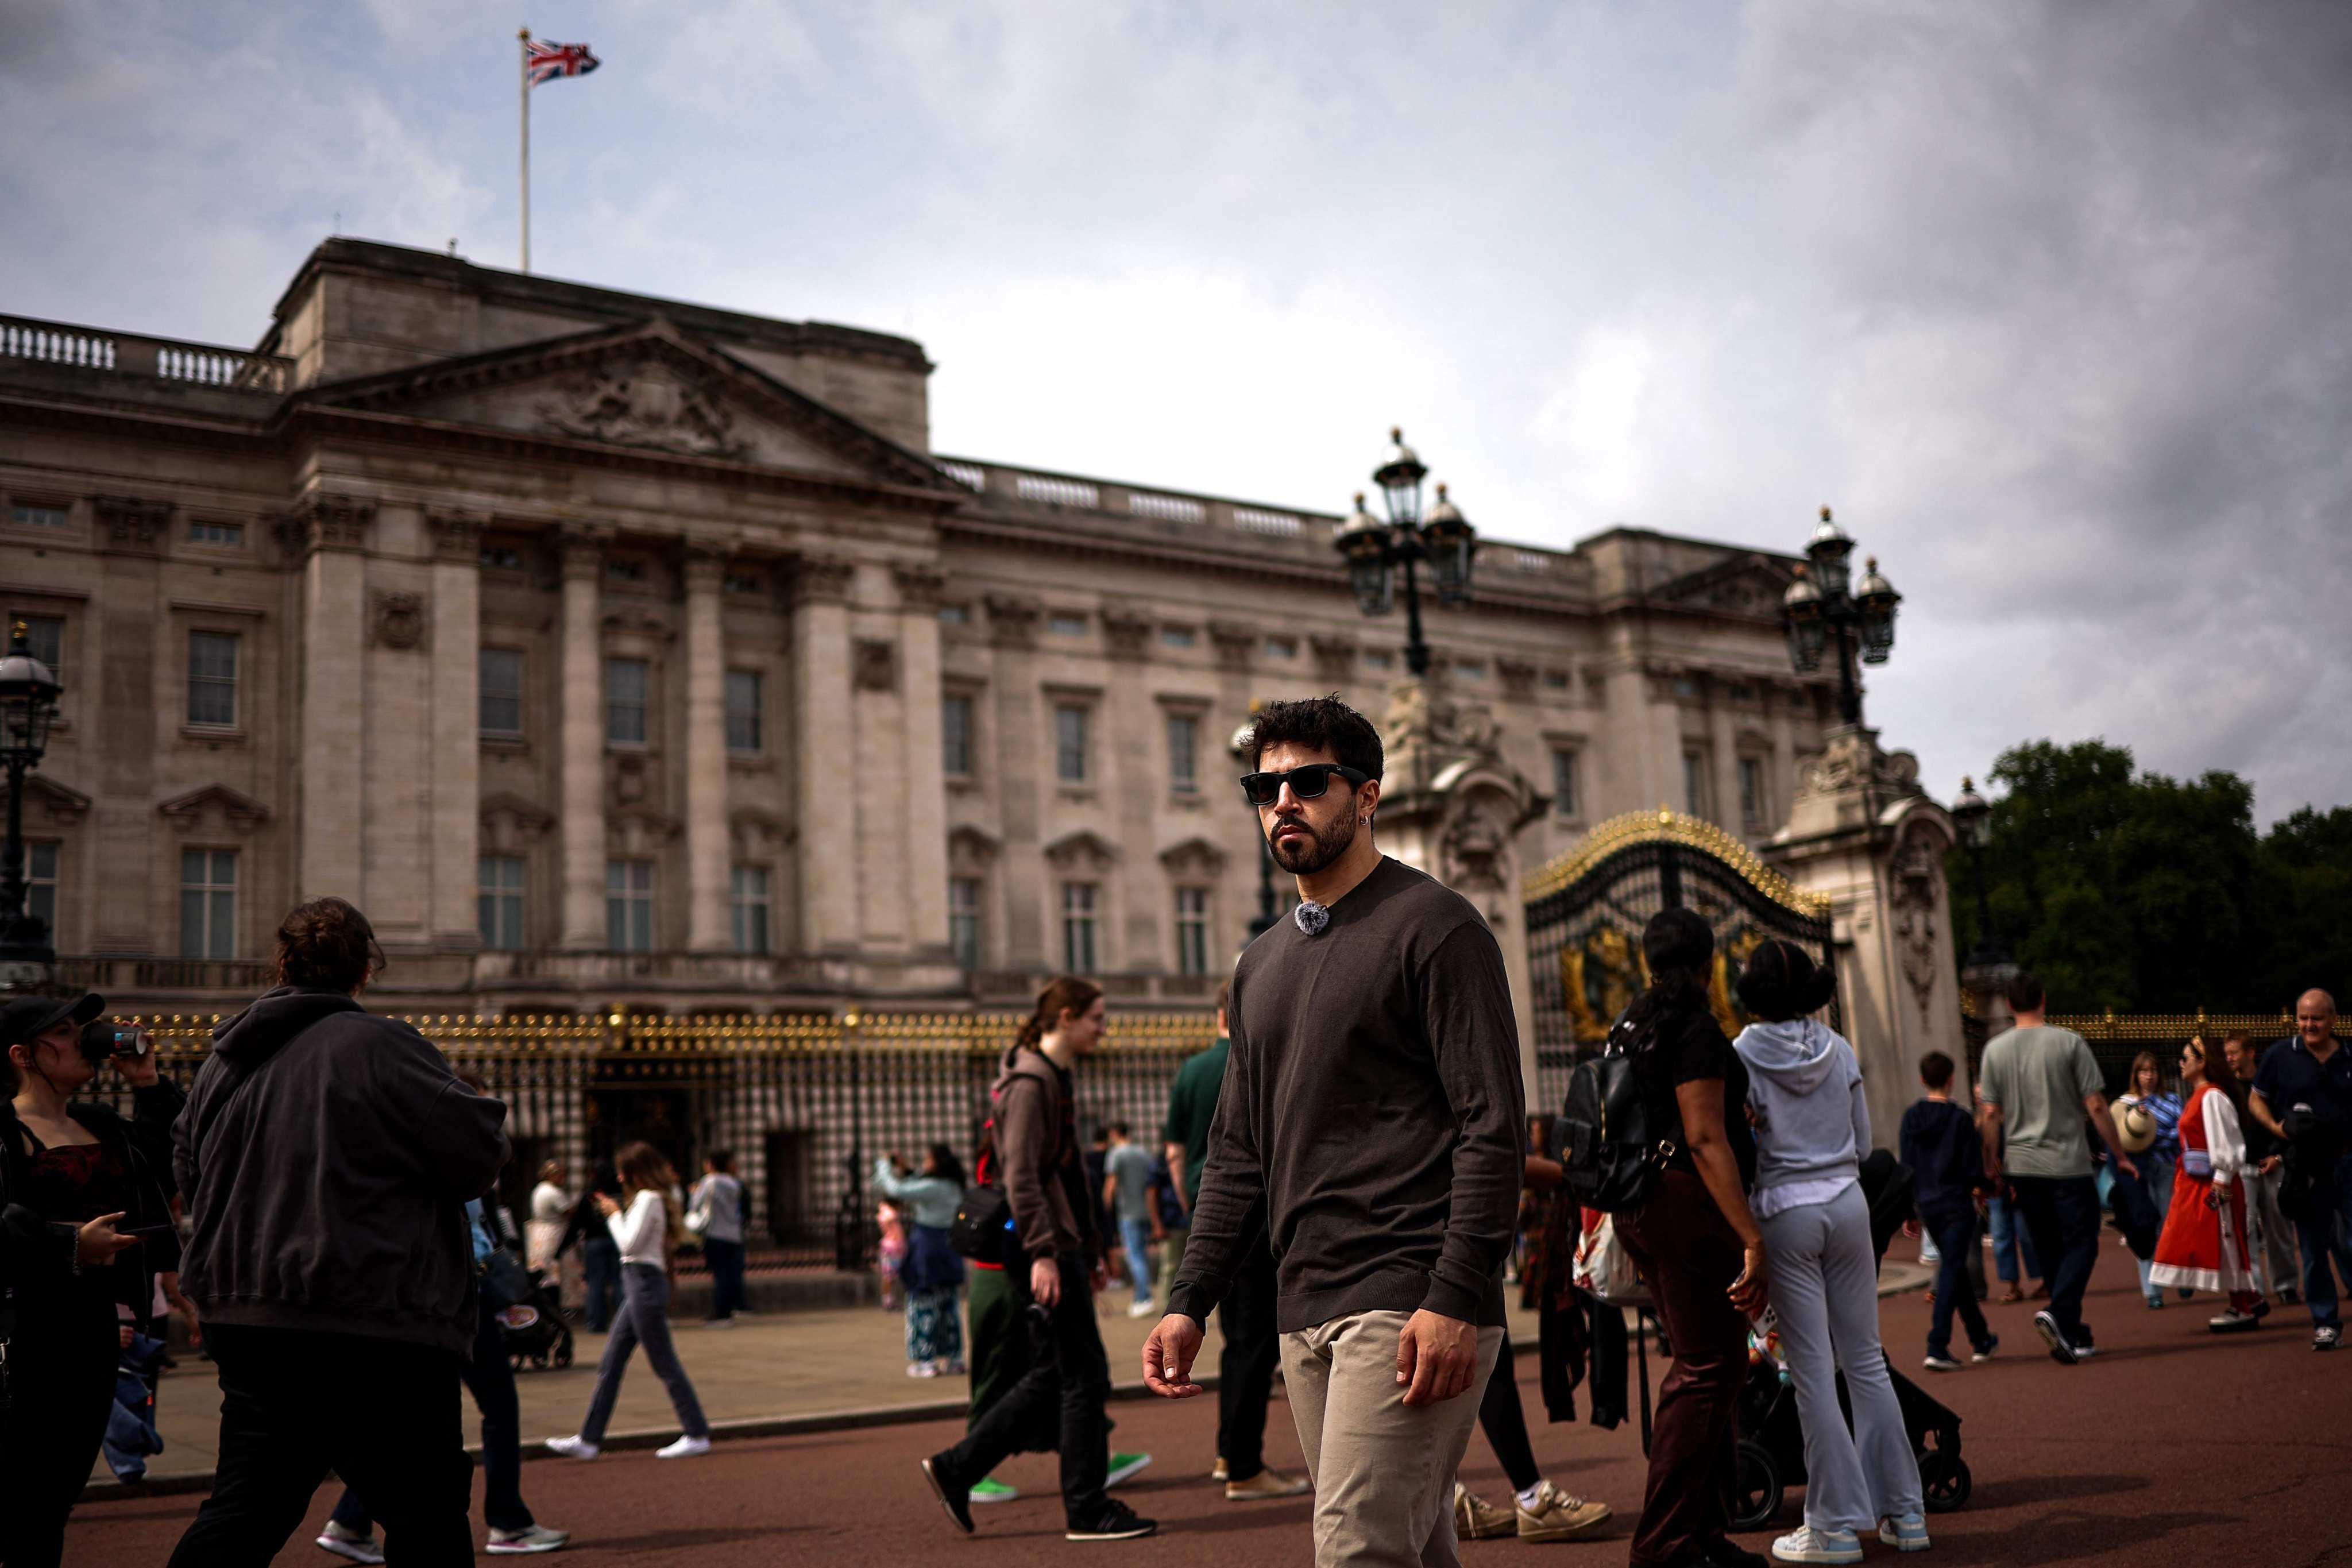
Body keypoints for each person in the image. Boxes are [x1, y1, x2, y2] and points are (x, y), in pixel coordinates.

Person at [1144, 696, 1526, 1568]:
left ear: (1365, 796)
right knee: (1409, 1550)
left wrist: (1452, 1295)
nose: (1282, 801)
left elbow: (1489, 1125)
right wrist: (1187, 1297)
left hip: (1406, 1290)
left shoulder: (1437, 927)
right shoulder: (1257, 963)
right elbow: (1238, 1149)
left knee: (1354, 1552)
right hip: (1302, 1298)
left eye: (1307, 782)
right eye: (1264, 785)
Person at [168, 898, 510, 1567]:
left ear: (283, 963)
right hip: (373, 1317)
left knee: (244, 1510)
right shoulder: (384, 1046)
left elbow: (187, 1168)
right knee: (428, 1517)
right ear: (366, 970)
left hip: (251, 1316)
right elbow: (479, 1157)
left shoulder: (221, 1063)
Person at [921, 978, 1156, 1542]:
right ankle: (1086, 1508)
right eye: (1097, 1017)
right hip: (1049, 1248)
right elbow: (1020, 1176)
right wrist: (1044, 1253)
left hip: (1067, 1243)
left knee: (1057, 1375)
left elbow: (1069, 1173)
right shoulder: (1030, 1083)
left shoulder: (1054, 1077)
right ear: (1067, 1017)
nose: (1104, 1027)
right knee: (1083, 1378)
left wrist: (1093, 1247)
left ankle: (958, 1468)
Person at [1733, 940, 1925, 1563]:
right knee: (1866, 1361)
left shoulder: (1742, 1054)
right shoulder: (1837, 1047)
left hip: (1786, 1211)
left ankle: (1835, 1525)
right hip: (1847, 1202)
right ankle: (1905, 1511)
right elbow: (1866, 1140)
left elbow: (1743, 1150)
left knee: (1813, 1374)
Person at [0, 995, 187, 1568]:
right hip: (24, 1334)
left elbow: (165, 1163)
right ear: (22, 1055)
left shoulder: (100, 1124)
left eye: (82, 1028)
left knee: (55, 1500)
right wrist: (72, 1245)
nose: (81, 1039)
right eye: (62, 1031)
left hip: (91, 1332)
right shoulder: (5, 1132)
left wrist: (150, 1082)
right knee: (16, 1498)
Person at [317, 1189, 570, 1561]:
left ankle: (350, 1520)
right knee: (497, 1408)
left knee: (408, 1413)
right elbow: (472, 1230)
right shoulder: (450, 1143)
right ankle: (508, 1521)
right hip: (462, 1291)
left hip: (425, 1293)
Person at [1160, 979, 1310, 1503]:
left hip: (1210, 1211)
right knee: (1255, 1344)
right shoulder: (1261, 1055)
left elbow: (1176, 1151)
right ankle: (1243, 1462)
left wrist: (1190, 1205)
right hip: (1260, 1212)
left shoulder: (1192, 1069)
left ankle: (1230, 1452)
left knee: (1233, 1340)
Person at [1975, 971, 2138, 1365]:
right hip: (2067, 1164)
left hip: (2023, 1165)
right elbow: (2097, 1106)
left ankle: (2072, 1331)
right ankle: (2061, 1315)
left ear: (2010, 1005)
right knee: (2082, 1243)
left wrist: (1989, 1167)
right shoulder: (2069, 1042)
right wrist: (2118, 1154)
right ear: (2043, 1000)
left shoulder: (1994, 1052)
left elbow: (1992, 1115)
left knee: (2048, 1247)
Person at [546, 1141, 713, 1460]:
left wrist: (612, 1215)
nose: (620, 1179)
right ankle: (589, 1439)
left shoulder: (649, 1199)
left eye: (624, 1172)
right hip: (638, 1282)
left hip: (644, 1284)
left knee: (664, 1363)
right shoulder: (645, 1200)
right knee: (610, 1364)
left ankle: (696, 1432)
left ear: (637, 1173)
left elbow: (628, 1244)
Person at [2246, 990, 2352, 1351]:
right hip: (2306, 1164)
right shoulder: (2280, 1055)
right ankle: (2325, 1323)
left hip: (2349, 1160)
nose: (2310, 1025)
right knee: (2312, 1248)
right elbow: (2255, 1098)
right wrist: (2278, 1130)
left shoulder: (2350, 1055)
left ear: (2334, 1019)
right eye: (2304, 1018)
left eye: (2317, 1018)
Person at [2149, 1037, 2265, 1331]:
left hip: (2213, 1182)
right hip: (2201, 1180)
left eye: (2186, 1058)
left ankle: (2243, 1305)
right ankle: (2248, 1298)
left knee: (2225, 1241)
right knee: (2218, 1240)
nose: (2181, 1063)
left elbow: (2226, 1140)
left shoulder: (2211, 1097)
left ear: (2202, 1063)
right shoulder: (2203, 1095)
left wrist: (2222, 1179)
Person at [1899, 1051, 1997, 1373]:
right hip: (1956, 1204)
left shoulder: (1912, 1117)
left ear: (1923, 1079)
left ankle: (1981, 1339)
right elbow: (1972, 1167)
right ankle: (1937, 1344)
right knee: (1952, 1271)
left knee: (1955, 1270)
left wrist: (1908, 1209)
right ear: (1952, 1079)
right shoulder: (1959, 1119)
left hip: (1927, 1205)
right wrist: (1987, 1187)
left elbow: (1907, 1167)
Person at [874, 1144, 968, 1376]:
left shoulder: (933, 1187)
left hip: (928, 1248)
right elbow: (919, 1182)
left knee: (923, 1305)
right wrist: (907, 1169)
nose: (924, 1164)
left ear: (936, 1163)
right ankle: (955, 1358)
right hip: (949, 1248)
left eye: (927, 1160)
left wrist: (884, 1165)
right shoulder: (952, 1186)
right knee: (949, 1307)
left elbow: (897, 1190)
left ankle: (926, 1361)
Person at [2223, 1032, 2300, 1303]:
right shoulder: (2227, 1088)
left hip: (2272, 1162)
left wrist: (2279, 1156)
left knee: (2279, 1229)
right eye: (2227, 1054)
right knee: (2245, 1231)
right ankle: (2253, 1288)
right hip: (2242, 1165)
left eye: (2234, 1053)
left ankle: (2286, 1284)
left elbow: (2286, 1123)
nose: (2230, 1059)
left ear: (2250, 1053)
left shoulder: (2270, 1085)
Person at [2115, 1049, 2185, 1308]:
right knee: (2144, 1229)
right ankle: (2152, 1290)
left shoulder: (2173, 1101)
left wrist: (2152, 1136)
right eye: (2144, 1071)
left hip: (2167, 1168)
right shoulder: (2126, 1103)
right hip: (2140, 1172)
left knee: (2171, 1226)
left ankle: (2181, 1277)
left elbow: (2182, 1131)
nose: (2149, 1076)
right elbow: (2120, 1135)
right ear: (2136, 1075)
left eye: (2153, 1071)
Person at [555, 1158, 623, 1331]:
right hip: (618, 1241)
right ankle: (623, 1323)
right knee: (619, 1283)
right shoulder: (620, 1194)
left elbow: (576, 1224)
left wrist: (561, 1249)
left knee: (595, 1284)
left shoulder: (590, 1196)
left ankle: (596, 1323)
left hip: (594, 1243)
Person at [1103, 1122, 1160, 1316]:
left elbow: (1111, 1184)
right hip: (1145, 1210)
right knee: (1141, 1254)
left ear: (1114, 1133)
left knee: (1134, 1255)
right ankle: (1143, 1295)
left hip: (1128, 1211)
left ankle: (1143, 1297)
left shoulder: (1116, 1154)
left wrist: (1105, 1208)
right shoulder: (1143, 1152)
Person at [688, 1150, 747, 1326]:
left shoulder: (710, 1181)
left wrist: (693, 1192)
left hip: (716, 1232)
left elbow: (696, 1205)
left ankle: (721, 1312)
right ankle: (730, 1308)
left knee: (720, 1273)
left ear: (711, 1165)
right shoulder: (734, 1183)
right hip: (733, 1233)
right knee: (730, 1273)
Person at [526, 1160, 571, 1276]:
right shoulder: (553, 1192)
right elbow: (568, 1212)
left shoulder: (539, 1189)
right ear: (552, 1175)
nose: (563, 1178)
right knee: (554, 1272)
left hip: (539, 1234)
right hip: (553, 1234)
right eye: (561, 1175)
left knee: (542, 1271)